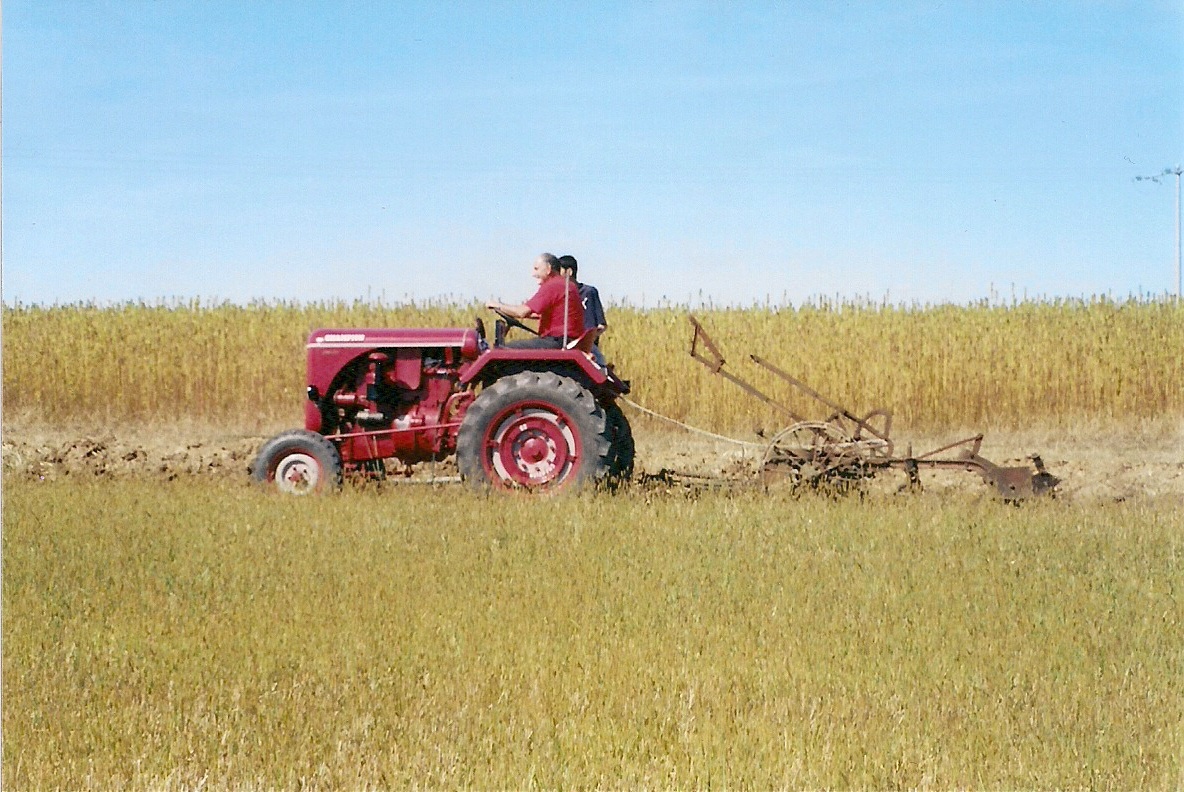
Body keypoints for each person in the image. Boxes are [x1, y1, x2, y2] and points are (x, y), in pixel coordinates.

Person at [486, 253, 584, 349]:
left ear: (548, 269)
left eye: (536, 269)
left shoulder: (553, 286)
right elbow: (537, 314)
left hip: (557, 342)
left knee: (504, 350)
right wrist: (508, 312)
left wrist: (497, 305)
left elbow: (522, 312)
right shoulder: (565, 285)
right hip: (565, 340)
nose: (533, 274)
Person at [558, 255, 608, 366]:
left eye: (559, 271)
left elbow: (602, 325)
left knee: (600, 367)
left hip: (588, 348)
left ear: (569, 272)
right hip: (563, 346)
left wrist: (585, 339)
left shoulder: (588, 293)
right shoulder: (559, 295)